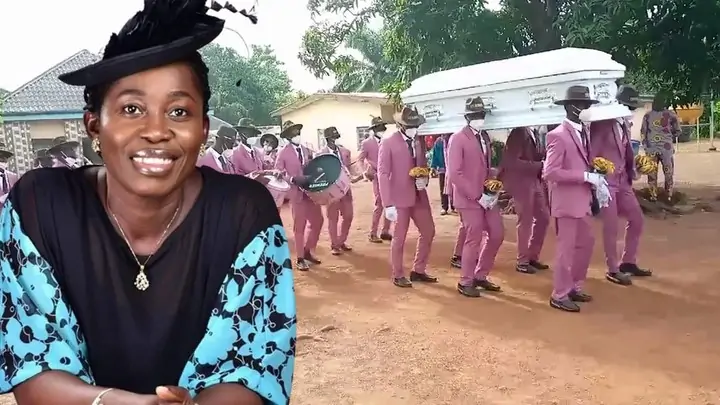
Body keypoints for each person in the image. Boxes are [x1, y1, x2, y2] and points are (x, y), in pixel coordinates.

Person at [0, 2, 296, 405]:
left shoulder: (244, 213)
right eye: (131, 109)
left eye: (179, 111)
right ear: (93, 125)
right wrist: (119, 403)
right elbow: (32, 364)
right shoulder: (39, 208)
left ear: (203, 128)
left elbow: (253, 368)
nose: (157, 131)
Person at [543, 85, 608, 312]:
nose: (587, 108)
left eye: (588, 104)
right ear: (571, 107)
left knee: (586, 245)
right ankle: (559, 294)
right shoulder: (557, 135)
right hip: (566, 203)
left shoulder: (583, 132)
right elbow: (550, 172)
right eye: (583, 105)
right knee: (566, 251)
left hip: (583, 201)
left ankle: (574, 286)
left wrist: (595, 180)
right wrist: (584, 176)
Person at [589, 85, 652, 283]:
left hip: (623, 181)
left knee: (637, 219)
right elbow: (591, 154)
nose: (632, 110)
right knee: (611, 226)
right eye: (630, 106)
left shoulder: (624, 124)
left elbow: (626, 152)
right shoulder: (602, 124)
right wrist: (596, 178)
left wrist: (635, 167)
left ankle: (628, 262)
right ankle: (613, 269)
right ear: (619, 104)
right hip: (606, 183)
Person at [447, 97, 505, 297]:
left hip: (487, 196)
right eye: (475, 115)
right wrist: (477, 195)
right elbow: (455, 173)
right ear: (467, 117)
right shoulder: (457, 138)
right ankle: (465, 281)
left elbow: (483, 166)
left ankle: (480, 275)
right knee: (474, 238)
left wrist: (492, 184)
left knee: (497, 234)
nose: (479, 118)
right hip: (468, 198)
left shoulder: (484, 137)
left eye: (481, 114)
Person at [378, 106, 437, 288]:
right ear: (401, 125)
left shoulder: (418, 141)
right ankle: (398, 274)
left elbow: (423, 166)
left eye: (416, 125)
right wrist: (388, 204)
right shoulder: (388, 142)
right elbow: (382, 173)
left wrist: (424, 179)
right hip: (399, 197)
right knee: (399, 237)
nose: (414, 129)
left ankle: (418, 270)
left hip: (419, 195)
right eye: (410, 126)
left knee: (428, 231)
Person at [499, 126, 550, 274]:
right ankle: (522, 261)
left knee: (544, 218)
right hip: (521, 182)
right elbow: (512, 162)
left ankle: (532, 256)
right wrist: (540, 165)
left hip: (534, 180)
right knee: (525, 221)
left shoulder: (535, 131)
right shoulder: (519, 132)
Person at [275, 120, 324, 271]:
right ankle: (300, 258)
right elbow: (278, 172)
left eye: (298, 132)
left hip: (311, 192)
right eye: (293, 133)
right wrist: (292, 179)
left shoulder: (306, 150)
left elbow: (313, 165)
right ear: (288, 136)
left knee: (318, 221)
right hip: (297, 194)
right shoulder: (283, 152)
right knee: (300, 226)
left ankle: (308, 250)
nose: (297, 134)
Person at [319, 126, 355, 254]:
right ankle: (335, 245)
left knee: (349, 216)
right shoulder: (320, 154)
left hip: (346, 189)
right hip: (331, 191)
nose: (334, 140)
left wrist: (353, 176)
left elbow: (349, 169)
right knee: (333, 218)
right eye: (331, 138)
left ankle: (341, 241)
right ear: (327, 139)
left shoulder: (345, 152)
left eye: (335, 137)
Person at [640, 92, 681, 201]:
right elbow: (678, 131)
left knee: (651, 173)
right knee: (668, 172)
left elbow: (643, 132)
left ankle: (653, 196)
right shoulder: (671, 115)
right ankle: (669, 195)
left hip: (651, 148)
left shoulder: (648, 116)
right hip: (666, 148)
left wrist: (646, 146)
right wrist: (668, 138)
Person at [358, 117, 393, 243]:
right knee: (379, 204)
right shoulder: (367, 143)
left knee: (390, 203)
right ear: (373, 129)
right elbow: (360, 159)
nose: (381, 129)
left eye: (382, 127)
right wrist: (364, 171)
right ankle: (373, 233)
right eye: (378, 127)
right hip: (377, 176)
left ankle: (385, 231)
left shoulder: (389, 141)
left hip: (390, 176)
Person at [430, 133, 455, 215]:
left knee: (454, 187)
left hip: (453, 168)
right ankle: (444, 207)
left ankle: (454, 205)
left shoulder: (454, 139)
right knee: (443, 188)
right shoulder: (438, 142)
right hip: (442, 168)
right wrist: (433, 167)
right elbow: (435, 155)